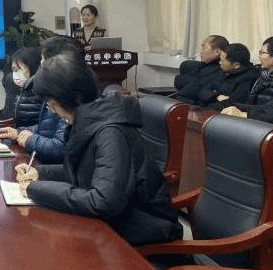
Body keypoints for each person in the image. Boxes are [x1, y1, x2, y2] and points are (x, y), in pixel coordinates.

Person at [15, 51, 182, 246]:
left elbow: (102, 201)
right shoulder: (91, 120)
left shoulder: (111, 132)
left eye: (53, 105)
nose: (54, 112)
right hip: (113, 224)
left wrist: (36, 189)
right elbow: (85, 170)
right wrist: (40, 173)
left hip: (142, 233)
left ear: (74, 97)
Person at [0, 47, 67, 164]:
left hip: (47, 161)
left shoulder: (63, 96)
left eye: (43, 64)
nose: (41, 69)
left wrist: (29, 139)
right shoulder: (47, 91)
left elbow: (60, 148)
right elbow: (45, 127)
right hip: (40, 156)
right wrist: (18, 133)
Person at [223, 36, 273, 124]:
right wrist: (235, 106)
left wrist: (247, 114)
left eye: (262, 53)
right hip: (254, 122)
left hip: (266, 126)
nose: (259, 56)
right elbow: (255, 105)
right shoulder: (261, 76)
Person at [196, 42, 259, 109]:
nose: (220, 63)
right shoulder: (224, 72)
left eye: (222, 61)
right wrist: (217, 96)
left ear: (236, 65)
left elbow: (232, 104)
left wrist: (211, 97)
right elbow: (203, 91)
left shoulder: (248, 79)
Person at [173, 35, 228, 103]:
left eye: (204, 47)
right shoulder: (195, 67)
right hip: (179, 101)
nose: (201, 51)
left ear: (217, 52)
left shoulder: (220, 73)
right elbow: (178, 83)